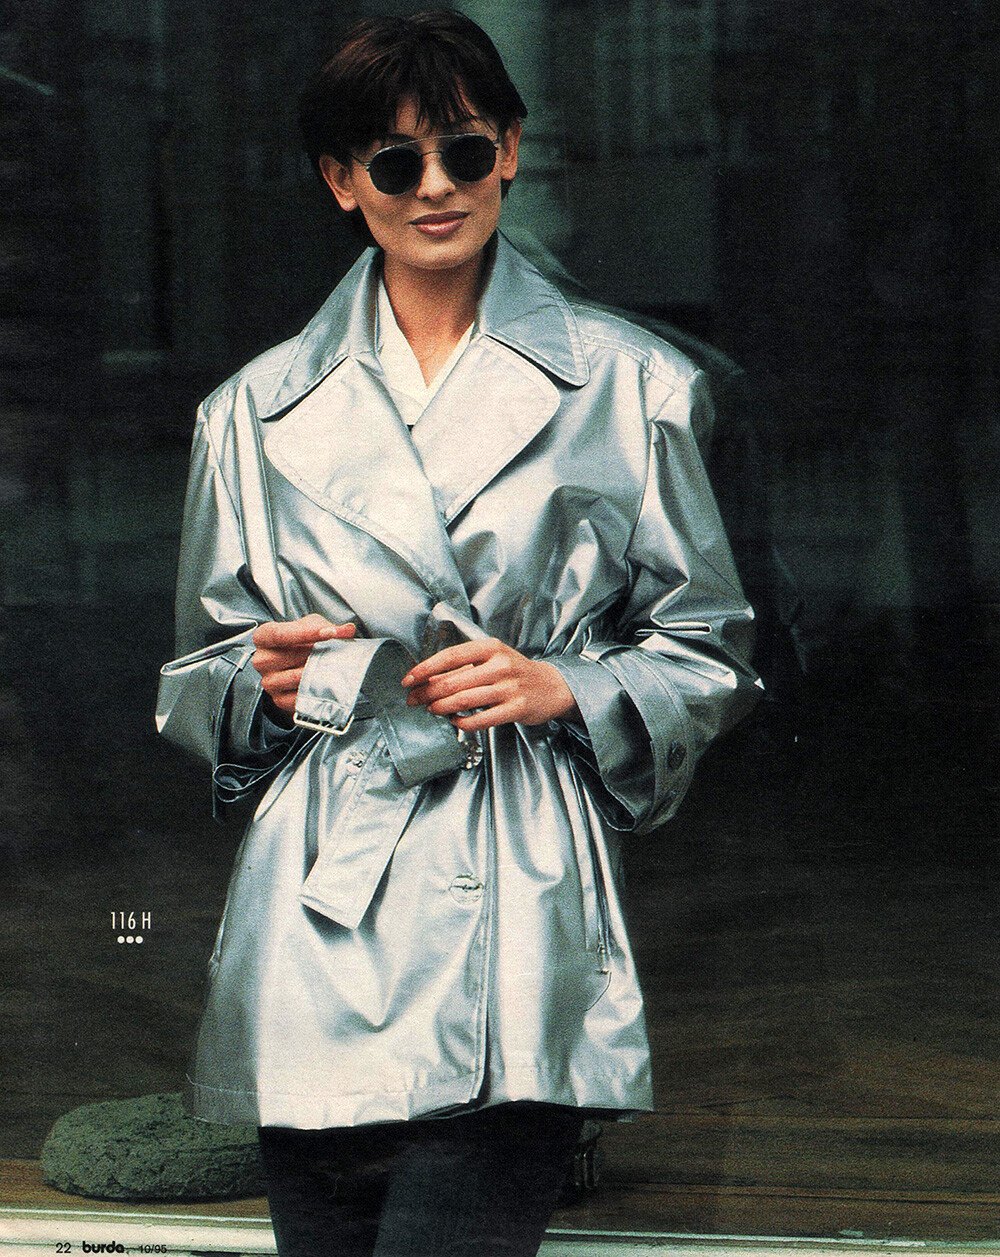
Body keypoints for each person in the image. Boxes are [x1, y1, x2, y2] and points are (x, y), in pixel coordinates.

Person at [156, 10, 762, 1255]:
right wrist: (264, 685)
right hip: (319, 905)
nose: (435, 187)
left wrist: (565, 686)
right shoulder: (249, 413)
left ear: (511, 154)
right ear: (341, 183)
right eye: (394, 162)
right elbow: (198, 677)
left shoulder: (635, 386)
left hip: (514, 879)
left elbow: (706, 648)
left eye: (465, 151)